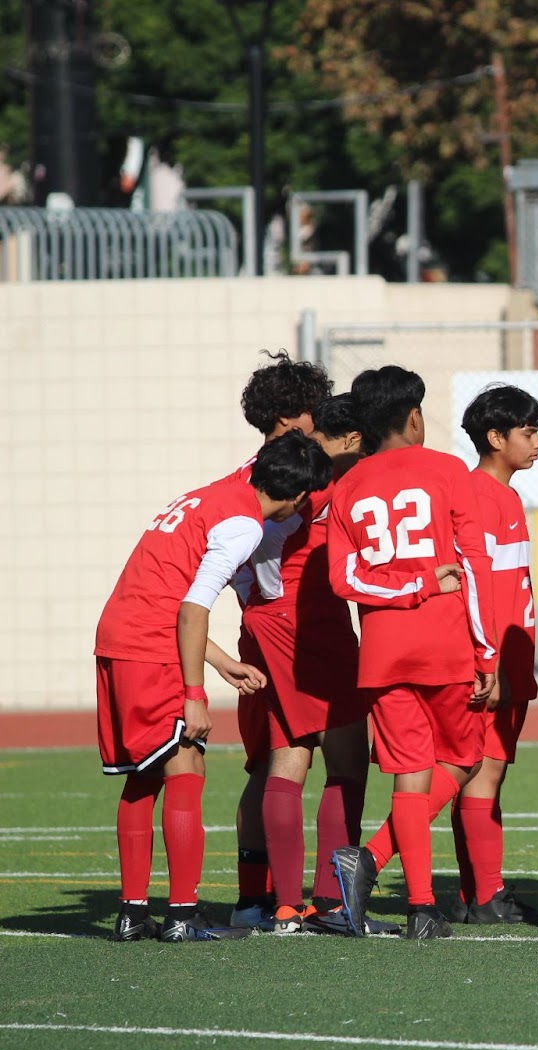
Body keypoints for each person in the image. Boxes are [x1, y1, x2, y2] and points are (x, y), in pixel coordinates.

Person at [96, 432, 331, 942]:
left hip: (119, 635)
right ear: (296, 496)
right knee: (185, 765)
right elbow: (192, 607)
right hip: (151, 645)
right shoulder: (245, 523)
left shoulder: (206, 496)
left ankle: (133, 913)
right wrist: (195, 694)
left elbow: (169, 595)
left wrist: (222, 662)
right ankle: (182, 916)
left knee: (142, 775)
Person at [326, 365, 497, 941]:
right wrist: (487, 652)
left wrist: (405, 584)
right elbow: (473, 566)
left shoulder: (346, 485)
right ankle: (372, 857)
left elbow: (344, 578)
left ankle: (422, 909)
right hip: (446, 644)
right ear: (414, 416)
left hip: (383, 652)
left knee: (409, 778)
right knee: (464, 760)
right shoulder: (449, 470)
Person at [242, 394, 378, 935]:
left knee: (287, 758)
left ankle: (281, 903)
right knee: (346, 762)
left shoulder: (260, 472)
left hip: (264, 622)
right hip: (312, 623)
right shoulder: (329, 482)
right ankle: (329, 899)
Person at [228, 351, 334, 929]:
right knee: (295, 758)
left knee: (265, 764)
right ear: (295, 416)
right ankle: (299, 901)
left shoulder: (247, 470)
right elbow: (263, 556)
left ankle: (253, 898)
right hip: (287, 627)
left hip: (258, 629)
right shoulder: (290, 474)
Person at [450, 383, 538, 925]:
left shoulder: (507, 497)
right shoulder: (476, 496)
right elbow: (477, 586)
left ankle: (477, 893)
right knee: (481, 772)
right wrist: (485, 660)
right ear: (495, 438)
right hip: (489, 661)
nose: (537, 442)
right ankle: (486, 895)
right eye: (528, 431)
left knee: (480, 773)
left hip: (503, 656)